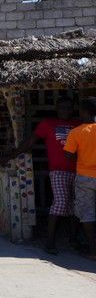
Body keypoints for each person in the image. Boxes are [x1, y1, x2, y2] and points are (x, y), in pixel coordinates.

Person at [0, 96, 80, 254]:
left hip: (78, 171)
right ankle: (50, 241)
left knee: (75, 207)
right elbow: (30, 141)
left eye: (69, 107)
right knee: (60, 203)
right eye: (63, 107)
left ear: (73, 109)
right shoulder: (48, 124)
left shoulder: (78, 125)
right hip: (58, 171)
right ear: (57, 109)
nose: (66, 110)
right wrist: (11, 155)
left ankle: (73, 238)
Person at [63, 97, 96, 260]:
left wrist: (82, 160)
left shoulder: (76, 132)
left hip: (84, 176)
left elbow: (68, 154)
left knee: (87, 214)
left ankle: (93, 250)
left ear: (84, 111)